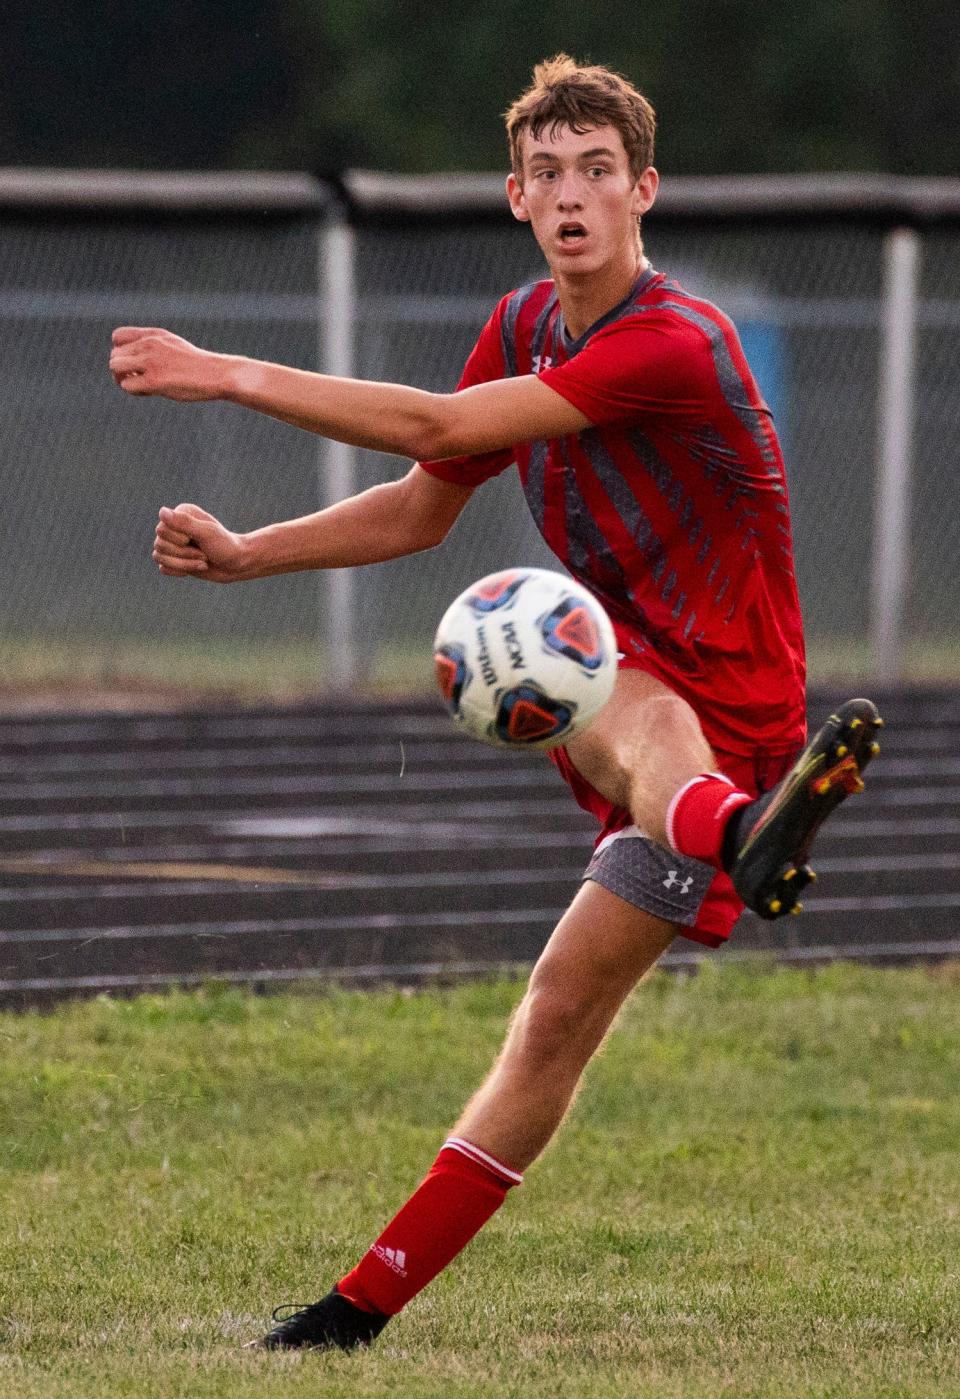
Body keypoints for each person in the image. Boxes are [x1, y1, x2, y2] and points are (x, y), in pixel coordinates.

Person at [109, 54, 882, 1352]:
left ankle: (740, 825)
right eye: (547, 174)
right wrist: (251, 552)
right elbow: (425, 498)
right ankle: (352, 1317)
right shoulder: (525, 324)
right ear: (515, 197)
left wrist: (232, 373)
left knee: (588, 668)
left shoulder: (676, 341)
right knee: (554, 1020)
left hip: (723, 714)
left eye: (597, 173)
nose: (571, 195)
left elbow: (428, 420)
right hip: (680, 766)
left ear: (646, 191)